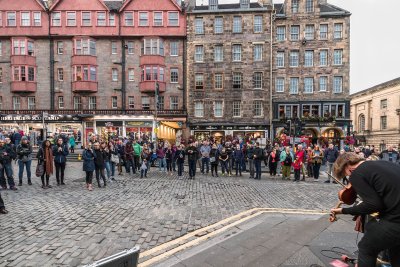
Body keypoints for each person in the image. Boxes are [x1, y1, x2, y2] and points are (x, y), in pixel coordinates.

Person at [331, 153, 400, 267]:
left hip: (396, 221)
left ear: (348, 165)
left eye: (345, 174)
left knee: (366, 248)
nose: (348, 178)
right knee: (395, 249)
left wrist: (344, 211)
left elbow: (373, 205)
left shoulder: (357, 173)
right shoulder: (384, 163)